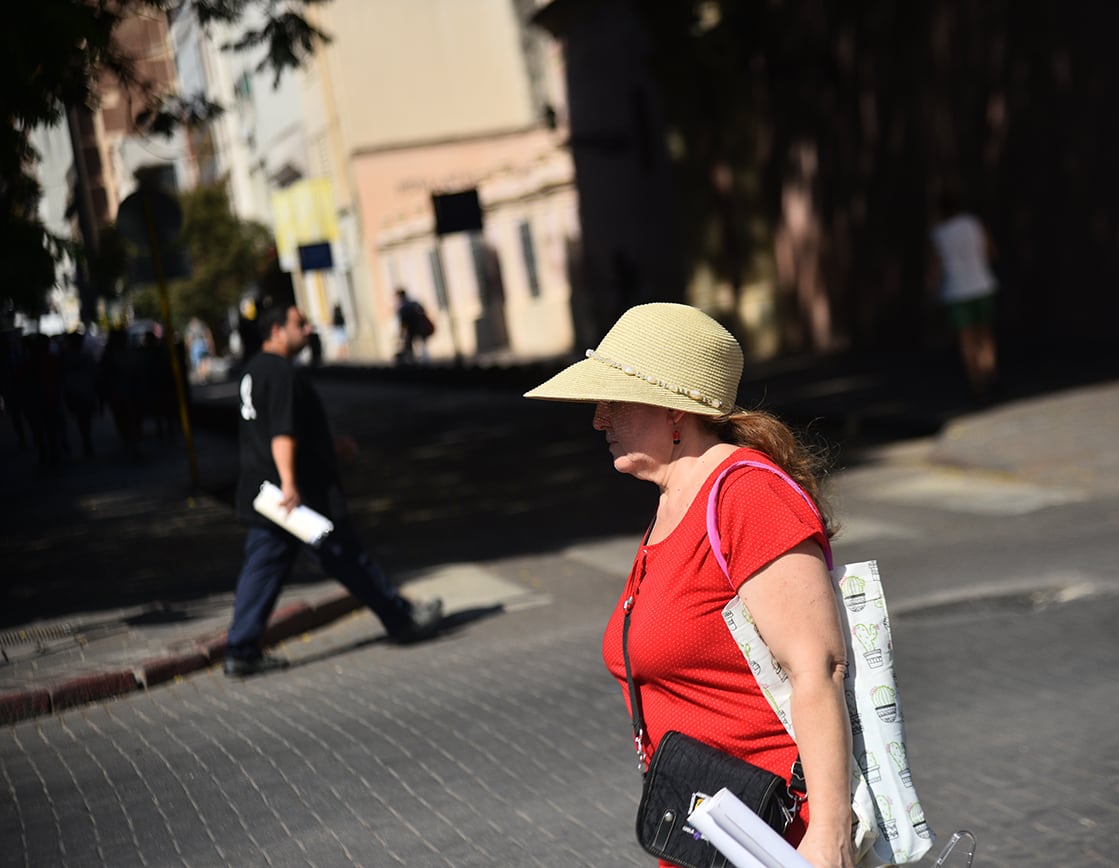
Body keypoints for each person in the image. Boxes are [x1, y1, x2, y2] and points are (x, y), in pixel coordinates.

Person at [524, 303, 855, 867]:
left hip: (779, 833)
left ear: (674, 410)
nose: (599, 420)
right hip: (711, 829)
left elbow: (818, 667)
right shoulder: (674, 501)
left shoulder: (745, 496)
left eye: (614, 401)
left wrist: (830, 833)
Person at [226, 304, 442, 677]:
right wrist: (291, 482)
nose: (308, 328)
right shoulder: (280, 373)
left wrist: (329, 444)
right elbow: (282, 432)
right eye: (299, 323)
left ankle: (241, 648)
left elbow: (273, 430)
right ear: (276, 330)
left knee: (262, 569)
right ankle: (401, 619)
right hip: (298, 495)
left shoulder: (253, 371)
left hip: (264, 493)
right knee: (346, 555)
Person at [930, 188, 1000, 402]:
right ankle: (991, 375)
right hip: (982, 284)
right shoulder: (974, 224)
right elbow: (991, 252)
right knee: (985, 335)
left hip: (956, 290)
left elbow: (936, 266)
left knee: (966, 339)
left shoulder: (938, 234)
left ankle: (976, 383)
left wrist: (933, 291)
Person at [394, 288, 433, 363]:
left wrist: (401, 336)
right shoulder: (414, 303)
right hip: (420, 329)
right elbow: (423, 312)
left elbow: (403, 324)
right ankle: (425, 362)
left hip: (411, 331)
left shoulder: (403, 308)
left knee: (412, 351)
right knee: (422, 349)